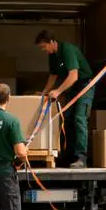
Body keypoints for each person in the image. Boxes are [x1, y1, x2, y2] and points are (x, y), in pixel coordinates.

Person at [35, 30, 94, 168]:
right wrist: (45, 92)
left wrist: (58, 91)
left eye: (44, 46)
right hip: (72, 88)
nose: (43, 50)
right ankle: (68, 155)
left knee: (79, 118)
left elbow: (73, 76)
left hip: (84, 86)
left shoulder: (67, 50)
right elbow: (53, 75)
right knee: (66, 118)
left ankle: (82, 158)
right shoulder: (52, 55)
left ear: (51, 42)